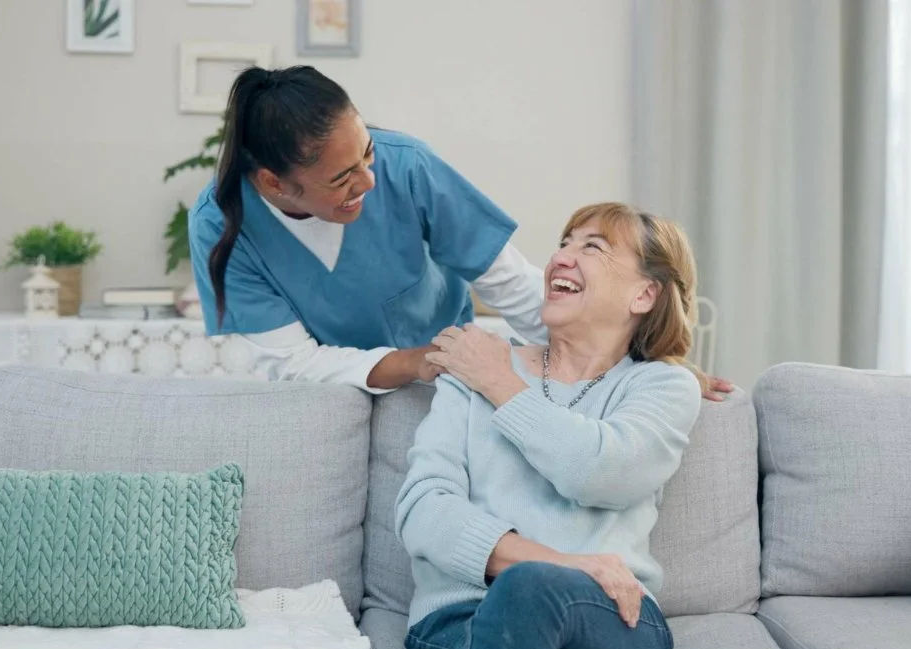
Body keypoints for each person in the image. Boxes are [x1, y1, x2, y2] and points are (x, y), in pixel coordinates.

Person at [188, 65, 733, 399]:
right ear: (274, 183)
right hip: (335, 397)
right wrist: (416, 360)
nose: (370, 180)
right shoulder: (220, 227)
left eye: (368, 153)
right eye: (341, 178)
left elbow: (511, 284)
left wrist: (644, 368)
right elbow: (295, 364)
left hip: (447, 383)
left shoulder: (407, 167)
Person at [395, 202, 706, 649]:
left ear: (644, 295)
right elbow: (422, 510)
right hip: (459, 622)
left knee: (530, 588)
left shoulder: (662, 387)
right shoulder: (472, 369)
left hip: (612, 620)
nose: (562, 256)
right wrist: (566, 563)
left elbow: (600, 471)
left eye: (593, 247)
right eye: (565, 242)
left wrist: (500, 383)